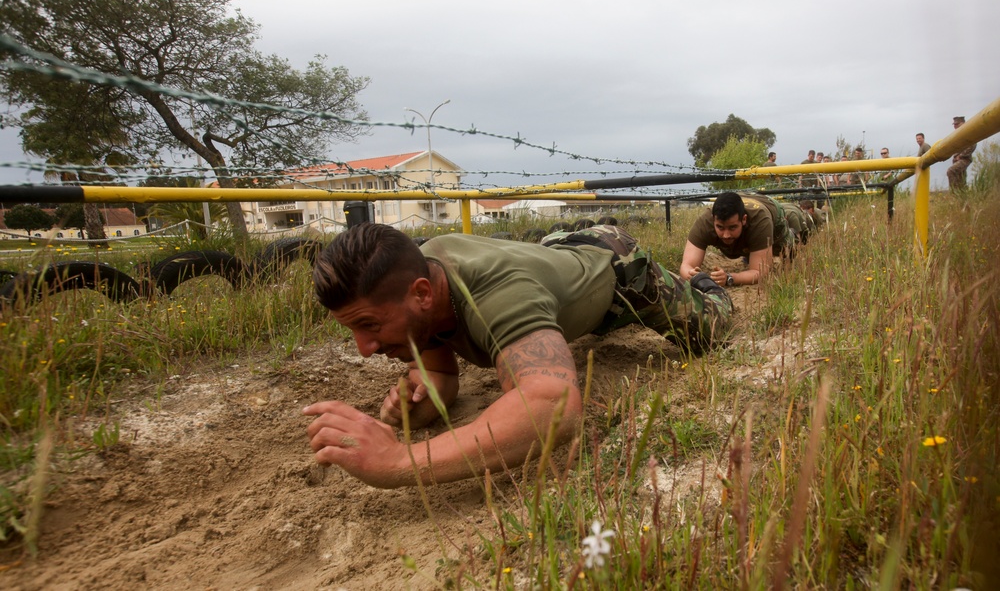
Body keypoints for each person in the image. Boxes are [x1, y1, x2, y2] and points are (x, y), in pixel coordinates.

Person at [304, 223, 733, 487]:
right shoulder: (420, 278)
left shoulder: (497, 294)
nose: (364, 349)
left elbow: (554, 406)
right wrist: (424, 393)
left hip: (615, 266)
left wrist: (400, 460)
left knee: (712, 331)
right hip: (554, 250)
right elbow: (439, 370)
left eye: (370, 326)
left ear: (422, 293)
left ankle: (707, 287)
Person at [680, 191, 793, 287]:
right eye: (720, 227)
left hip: (769, 206)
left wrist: (730, 278)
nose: (726, 235)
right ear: (713, 220)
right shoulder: (704, 222)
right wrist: (693, 276)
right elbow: (686, 266)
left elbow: (761, 273)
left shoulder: (760, 221)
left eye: (732, 227)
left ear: (743, 220)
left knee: (788, 251)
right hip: (742, 200)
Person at [946, 116, 976, 191]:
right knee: (961, 179)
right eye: (954, 124)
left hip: (964, 159)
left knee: (951, 171)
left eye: (957, 124)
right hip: (956, 159)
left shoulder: (968, 132)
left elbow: (973, 144)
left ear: (963, 123)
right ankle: (962, 195)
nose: (955, 126)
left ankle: (954, 193)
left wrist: (961, 156)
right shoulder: (957, 134)